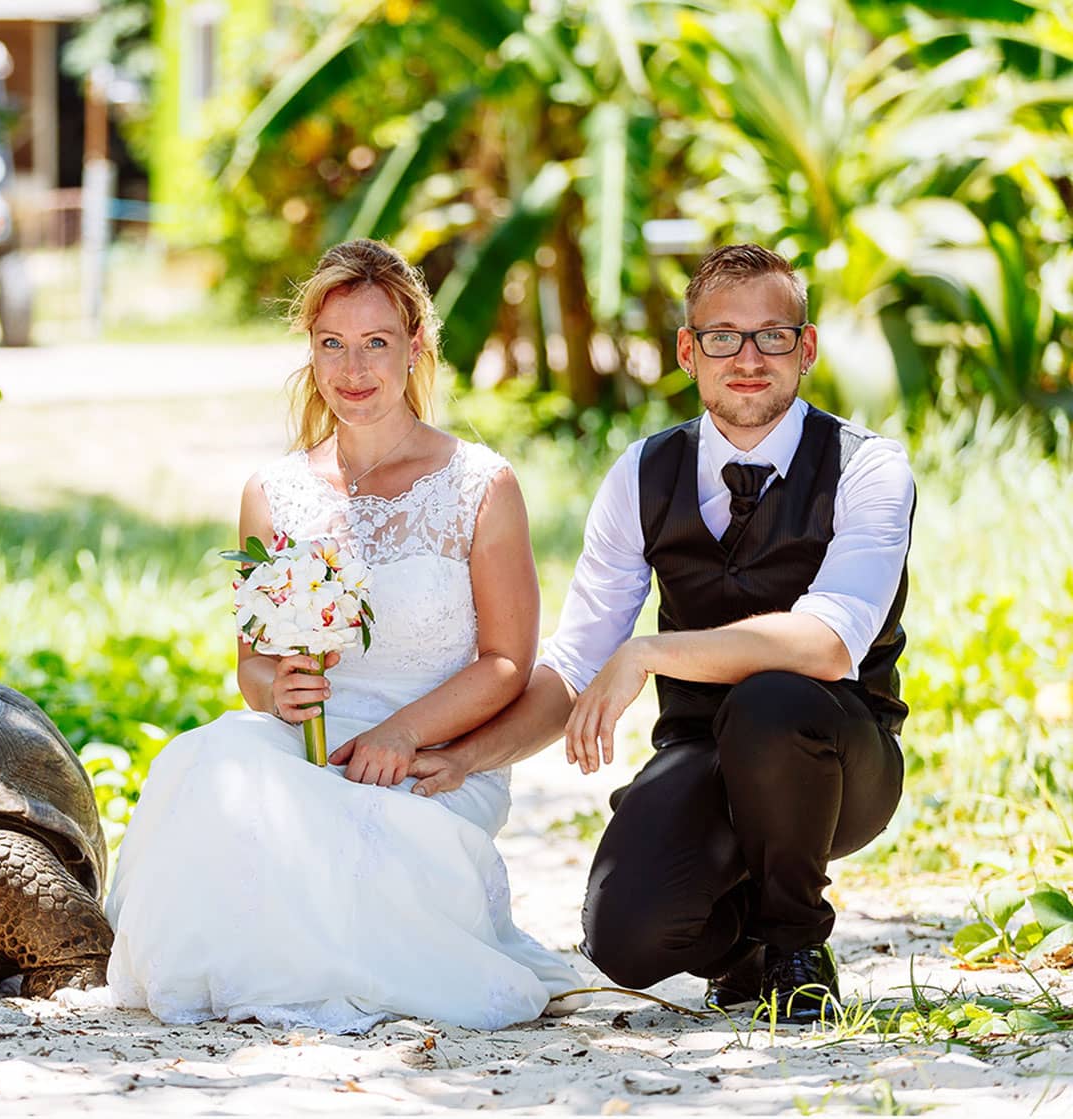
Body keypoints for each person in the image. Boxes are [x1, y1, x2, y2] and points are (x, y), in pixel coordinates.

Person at [406, 243, 914, 1022]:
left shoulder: (868, 468)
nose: (748, 359)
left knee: (772, 702)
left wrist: (649, 651)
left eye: (773, 335)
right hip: (702, 752)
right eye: (722, 337)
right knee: (624, 938)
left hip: (840, 759)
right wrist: (464, 756)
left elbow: (829, 644)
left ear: (805, 348)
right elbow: (575, 663)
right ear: (688, 350)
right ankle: (742, 947)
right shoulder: (642, 474)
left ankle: (796, 946)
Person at [103, 239, 583, 1032]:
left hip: (429, 753)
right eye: (332, 344)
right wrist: (275, 688)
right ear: (311, 351)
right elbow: (251, 666)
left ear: (415, 346)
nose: (352, 369)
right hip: (306, 745)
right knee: (212, 759)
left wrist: (403, 732)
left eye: (375, 344)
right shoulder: (274, 491)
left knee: (340, 856)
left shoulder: (479, 485)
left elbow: (507, 661)